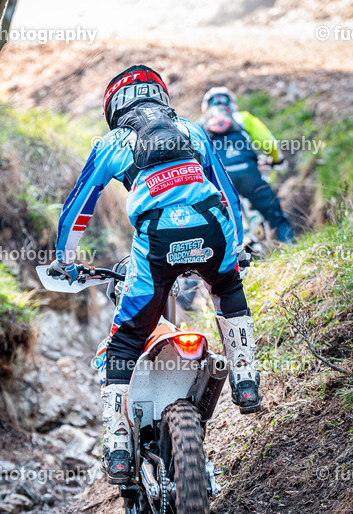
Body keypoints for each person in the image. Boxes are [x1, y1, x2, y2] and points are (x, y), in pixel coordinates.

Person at [50, 65, 262, 485]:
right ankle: (246, 377)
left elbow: (79, 206)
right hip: (212, 227)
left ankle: (117, 445)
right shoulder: (191, 130)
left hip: (158, 242)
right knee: (227, 286)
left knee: (127, 338)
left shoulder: (114, 141)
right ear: (160, 98)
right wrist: (236, 245)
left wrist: (65, 259)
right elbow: (226, 191)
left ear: (115, 106)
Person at [197, 86, 295, 242]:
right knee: (275, 214)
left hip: (218, 180)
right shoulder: (243, 118)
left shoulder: (199, 125)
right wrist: (276, 159)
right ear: (232, 103)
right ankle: (291, 246)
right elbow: (268, 143)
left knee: (217, 222)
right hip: (249, 175)